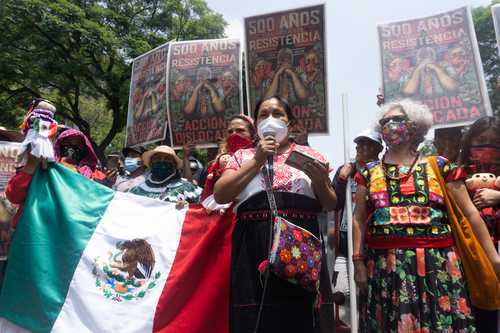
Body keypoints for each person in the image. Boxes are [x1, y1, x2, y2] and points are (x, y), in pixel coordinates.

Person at [352, 99, 500, 332]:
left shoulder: (439, 167)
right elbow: (358, 218)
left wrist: (494, 260)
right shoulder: (368, 173)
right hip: (384, 270)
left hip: (438, 267)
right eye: (385, 121)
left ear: (414, 127)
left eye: (397, 120)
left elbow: (470, 214)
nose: (390, 125)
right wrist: (357, 262)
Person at [213, 95, 336, 332]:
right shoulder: (241, 157)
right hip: (253, 246)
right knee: (254, 314)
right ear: (256, 124)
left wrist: (321, 182)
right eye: (263, 114)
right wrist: (257, 159)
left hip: (300, 248)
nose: (270, 120)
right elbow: (221, 194)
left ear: (290, 122)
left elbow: (330, 203)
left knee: (300, 314)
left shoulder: (312, 157)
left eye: (277, 114)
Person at [329, 128, 383, 328]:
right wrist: (342, 179)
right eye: (359, 143)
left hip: (370, 246)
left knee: (367, 296)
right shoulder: (346, 170)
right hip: (344, 245)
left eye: (368, 144)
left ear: (378, 149)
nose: (362, 148)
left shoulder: (381, 171)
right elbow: (333, 202)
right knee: (341, 294)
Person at [6, 127, 104, 229]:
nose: (72, 147)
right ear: (59, 144)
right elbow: (13, 196)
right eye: (68, 142)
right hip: (33, 231)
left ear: (85, 150)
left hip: (66, 236)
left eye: (78, 145)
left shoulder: (92, 176)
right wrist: (31, 165)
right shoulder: (41, 167)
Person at [457, 116, 500, 333]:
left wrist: (498, 197)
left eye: (494, 144)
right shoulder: (456, 175)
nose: (487, 149)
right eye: (482, 141)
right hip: (468, 261)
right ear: (469, 143)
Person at [201, 114, 256, 212]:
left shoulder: (262, 157)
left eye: (240, 130)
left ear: (252, 135)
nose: (234, 134)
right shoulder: (217, 163)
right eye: (230, 131)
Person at [128, 145, 202, 206]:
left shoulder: (188, 189)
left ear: (174, 164)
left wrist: (188, 207)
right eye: (158, 158)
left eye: (167, 159)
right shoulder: (137, 190)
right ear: (151, 163)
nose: (162, 161)